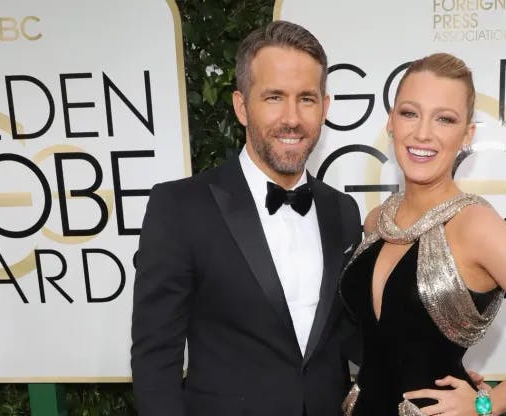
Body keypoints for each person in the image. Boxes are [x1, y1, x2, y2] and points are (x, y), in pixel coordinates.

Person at [339, 53, 506, 416]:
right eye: (409, 113)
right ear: (391, 122)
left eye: (445, 119)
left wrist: (488, 403)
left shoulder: (476, 227)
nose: (422, 133)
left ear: (467, 135)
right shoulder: (378, 221)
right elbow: (386, 337)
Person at [131, 20, 362, 416]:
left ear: (324, 107)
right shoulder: (180, 207)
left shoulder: (342, 209)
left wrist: (433, 361)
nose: (292, 117)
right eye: (274, 97)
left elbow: (350, 334)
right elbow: (156, 359)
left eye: (306, 98)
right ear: (241, 106)